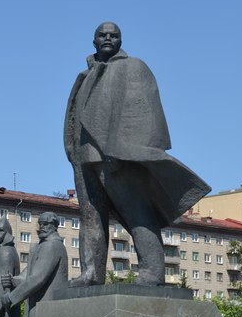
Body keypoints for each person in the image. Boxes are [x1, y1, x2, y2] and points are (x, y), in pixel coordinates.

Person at [64, 21, 211, 286]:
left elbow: (147, 114)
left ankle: (152, 271)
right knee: (90, 217)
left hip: (117, 157)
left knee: (135, 213)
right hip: (85, 158)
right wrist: (73, 152)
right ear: (94, 40)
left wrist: (126, 149)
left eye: (114, 35)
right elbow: (74, 119)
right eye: (102, 35)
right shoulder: (85, 76)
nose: (108, 38)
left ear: (120, 40)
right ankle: (91, 272)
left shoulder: (134, 68)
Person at [2, 212, 68, 317]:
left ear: (55, 226)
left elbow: (37, 278)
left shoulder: (52, 245)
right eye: (40, 224)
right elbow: (28, 275)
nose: (41, 227)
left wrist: (11, 297)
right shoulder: (42, 246)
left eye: (46, 224)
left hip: (47, 315)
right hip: (42, 315)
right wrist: (12, 280)